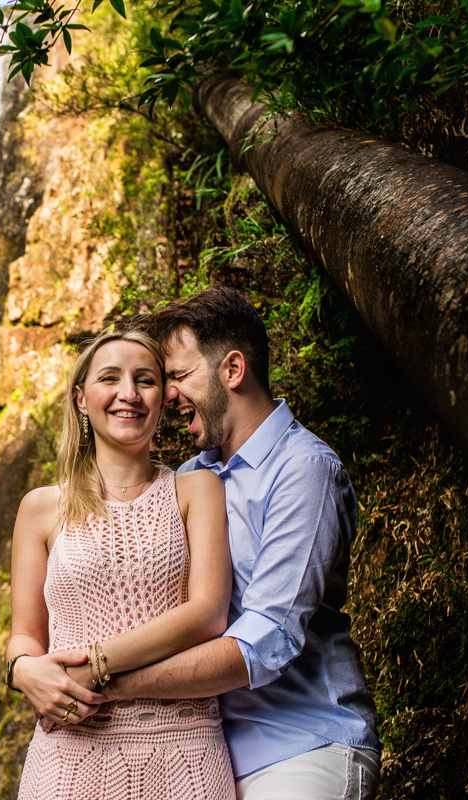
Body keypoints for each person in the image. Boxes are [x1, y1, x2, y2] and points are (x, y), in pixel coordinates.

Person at [91, 286, 381, 799]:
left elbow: (268, 639)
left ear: (232, 369)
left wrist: (113, 684)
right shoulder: (186, 479)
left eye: (179, 376)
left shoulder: (303, 469)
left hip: (300, 746)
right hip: (199, 751)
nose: (169, 394)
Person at [5, 328, 236, 800]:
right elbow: (25, 634)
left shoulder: (197, 491)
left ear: (162, 398)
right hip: (67, 755)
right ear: (81, 399)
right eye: (110, 378)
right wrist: (22, 670)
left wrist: (95, 666)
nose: (128, 393)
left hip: (185, 756)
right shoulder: (41, 508)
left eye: (145, 380)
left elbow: (209, 613)